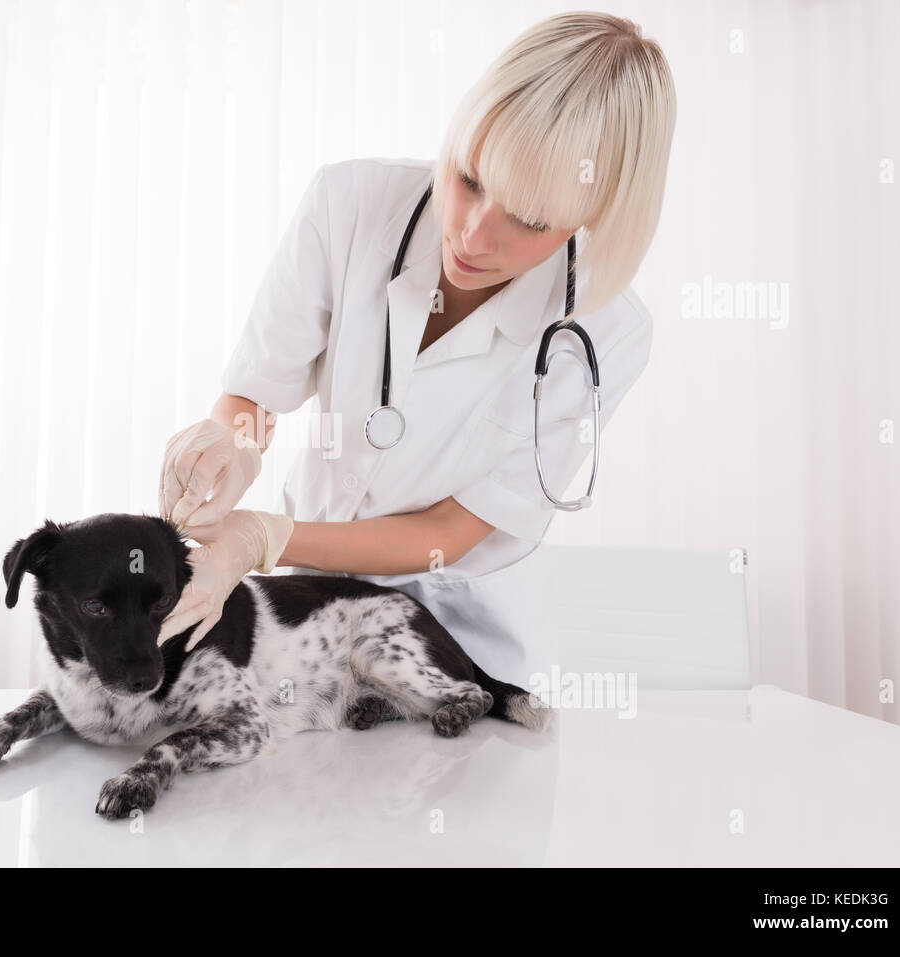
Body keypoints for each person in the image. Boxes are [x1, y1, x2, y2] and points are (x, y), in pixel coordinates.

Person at [155, 12, 676, 682]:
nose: (473, 235)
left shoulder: (605, 333)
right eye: (469, 178)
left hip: (465, 648)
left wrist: (266, 536)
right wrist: (229, 446)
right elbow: (258, 395)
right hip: (306, 619)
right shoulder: (351, 204)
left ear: (593, 215)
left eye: (529, 220)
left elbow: (450, 529)